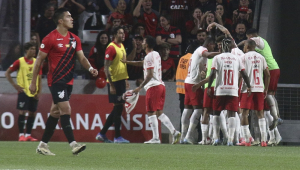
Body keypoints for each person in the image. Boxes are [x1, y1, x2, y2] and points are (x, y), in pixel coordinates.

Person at [29, 8, 98, 156]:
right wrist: (33, 82)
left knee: (55, 112)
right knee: (66, 110)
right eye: (68, 16)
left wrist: (90, 68)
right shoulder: (50, 38)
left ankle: (42, 145)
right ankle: (73, 145)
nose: (72, 19)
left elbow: (82, 58)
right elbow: (39, 61)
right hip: (56, 81)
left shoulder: (74, 39)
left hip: (69, 81)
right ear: (60, 20)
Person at [123, 35, 181, 144]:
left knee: (151, 112)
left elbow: (149, 75)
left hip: (153, 86)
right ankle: (174, 132)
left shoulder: (149, 56)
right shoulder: (156, 55)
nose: (142, 43)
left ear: (147, 44)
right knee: (159, 113)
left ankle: (155, 138)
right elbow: (143, 63)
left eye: (144, 41)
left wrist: (139, 88)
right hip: (161, 86)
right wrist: (127, 62)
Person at [206, 38, 251, 146]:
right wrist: (249, 86)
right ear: (231, 47)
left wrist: (208, 87)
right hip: (233, 90)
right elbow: (244, 74)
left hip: (220, 90)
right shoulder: (237, 58)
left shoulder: (217, 58)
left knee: (216, 113)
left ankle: (216, 138)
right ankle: (230, 140)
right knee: (232, 114)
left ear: (221, 46)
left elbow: (212, 73)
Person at [239, 28, 281, 130]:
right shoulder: (262, 42)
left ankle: (276, 117)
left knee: (269, 94)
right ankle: (276, 116)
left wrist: (240, 44)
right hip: (273, 67)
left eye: (248, 38)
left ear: (251, 36)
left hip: (270, 68)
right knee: (270, 94)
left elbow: (250, 42)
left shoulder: (257, 40)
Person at [181, 37, 220, 144]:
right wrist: (220, 53)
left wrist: (202, 74)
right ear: (209, 44)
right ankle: (188, 136)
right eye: (213, 45)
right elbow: (207, 54)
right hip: (194, 83)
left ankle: (183, 136)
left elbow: (203, 71)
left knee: (187, 109)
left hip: (189, 81)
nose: (214, 47)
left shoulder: (200, 55)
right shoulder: (201, 49)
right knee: (198, 110)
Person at [95, 26, 130, 143]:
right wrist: (112, 84)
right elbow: (106, 66)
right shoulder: (111, 48)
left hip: (121, 81)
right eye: (120, 33)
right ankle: (117, 137)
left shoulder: (122, 46)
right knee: (118, 108)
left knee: (118, 108)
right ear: (115, 35)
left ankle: (102, 133)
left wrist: (125, 79)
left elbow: (122, 64)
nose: (123, 35)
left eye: (123, 33)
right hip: (114, 81)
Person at [5, 42, 41, 142]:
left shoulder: (37, 62)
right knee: (22, 112)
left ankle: (28, 134)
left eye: (34, 49)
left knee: (32, 113)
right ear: (26, 50)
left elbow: (40, 78)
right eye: (31, 49)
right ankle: (21, 135)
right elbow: (7, 73)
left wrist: (39, 92)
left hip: (34, 91)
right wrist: (15, 86)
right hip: (24, 91)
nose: (34, 51)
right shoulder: (20, 61)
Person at [239, 39, 270, 147]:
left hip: (247, 89)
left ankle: (247, 140)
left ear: (247, 47)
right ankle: (264, 140)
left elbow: (241, 74)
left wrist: (239, 88)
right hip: (259, 88)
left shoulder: (243, 57)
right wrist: (265, 89)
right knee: (260, 114)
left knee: (244, 113)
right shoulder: (261, 57)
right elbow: (268, 74)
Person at [175, 42, 199, 130]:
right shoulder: (193, 59)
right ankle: (196, 135)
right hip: (190, 89)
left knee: (184, 113)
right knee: (196, 112)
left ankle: (183, 133)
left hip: (181, 89)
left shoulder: (182, 58)